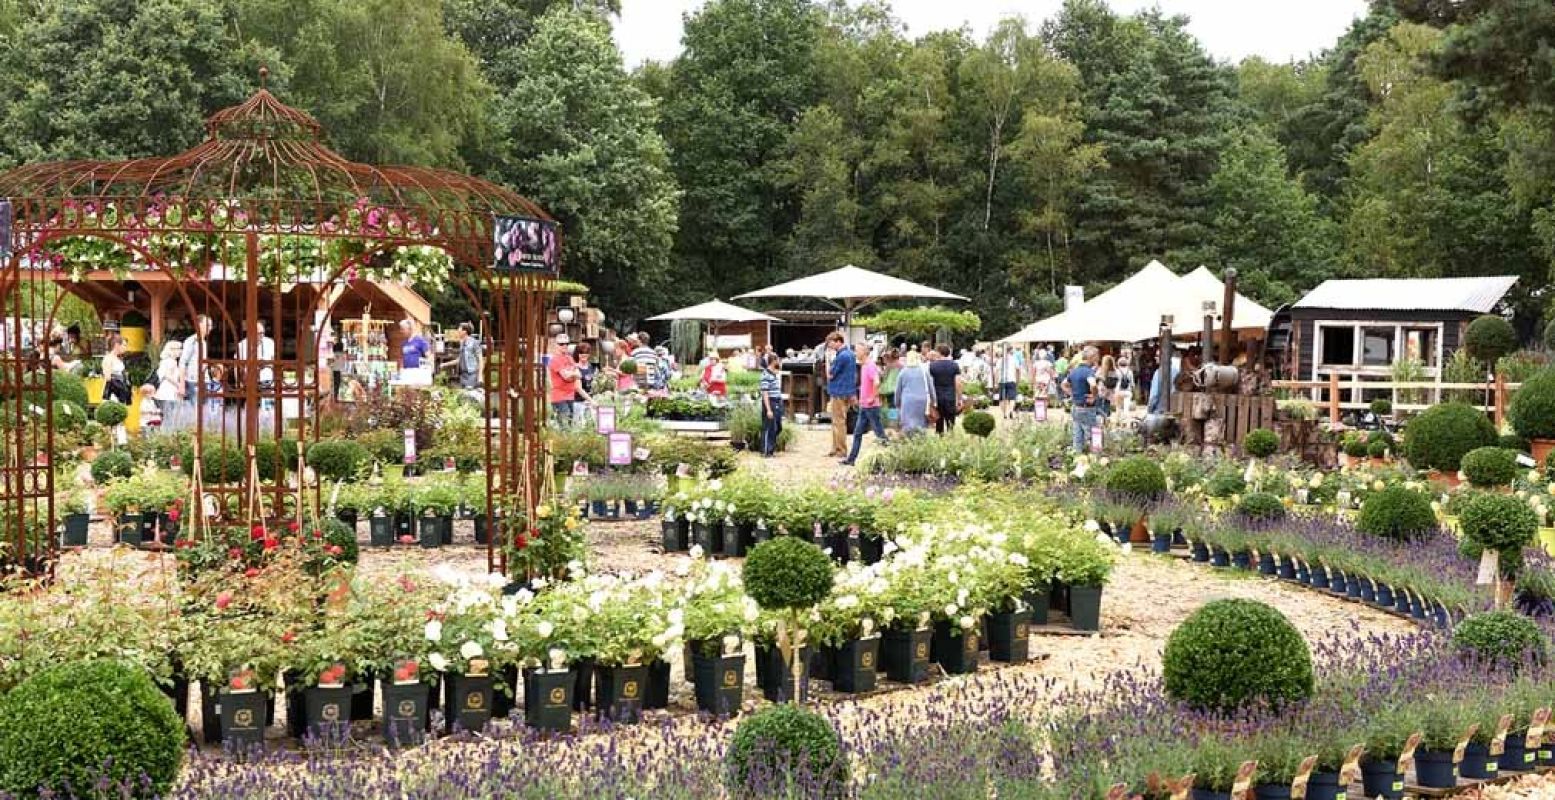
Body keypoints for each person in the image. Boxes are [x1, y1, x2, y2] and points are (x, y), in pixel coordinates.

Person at [842, 343, 888, 466]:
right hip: (865, 406)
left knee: (879, 433)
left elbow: (877, 382)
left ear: (864, 352)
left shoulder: (869, 366)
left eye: (857, 350)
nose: (855, 353)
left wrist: (872, 397)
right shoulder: (865, 366)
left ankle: (889, 455)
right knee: (858, 433)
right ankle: (851, 459)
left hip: (871, 406)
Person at [823, 332, 857, 458]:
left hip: (838, 391)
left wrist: (828, 360)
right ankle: (835, 447)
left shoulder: (841, 356)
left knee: (838, 422)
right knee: (839, 421)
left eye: (831, 343)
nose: (830, 346)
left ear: (838, 341)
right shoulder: (850, 355)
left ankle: (840, 449)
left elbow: (830, 374)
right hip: (846, 391)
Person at [1068, 345, 1100, 451]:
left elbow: (1064, 384)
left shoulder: (1074, 371)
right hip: (1087, 407)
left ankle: (1077, 458)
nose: (1098, 359)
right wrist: (1094, 395)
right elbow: (1093, 384)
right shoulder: (1089, 372)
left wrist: (1072, 394)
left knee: (1077, 435)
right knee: (1094, 435)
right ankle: (1096, 459)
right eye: (1097, 356)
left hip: (1076, 406)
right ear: (1092, 357)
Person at [548, 334, 584, 424]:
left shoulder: (569, 358)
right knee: (565, 427)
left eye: (566, 344)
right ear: (556, 345)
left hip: (570, 396)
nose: (564, 346)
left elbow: (579, 375)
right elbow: (566, 377)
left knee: (570, 424)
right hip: (559, 397)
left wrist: (571, 374)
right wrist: (573, 374)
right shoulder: (555, 359)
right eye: (561, 344)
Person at [895, 350, 932, 435]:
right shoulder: (924, 371)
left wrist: (897, 402)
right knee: (921, 422)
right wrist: (934, 400)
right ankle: (921, 440)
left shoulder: (903, 372)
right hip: (922, 400)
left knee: (908, 423)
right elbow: (930, 387)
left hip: (907, 400)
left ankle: (910, 441)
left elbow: (898, 390)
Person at [928, 344, 962, 435]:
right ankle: (950, 440)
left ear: (939, 353)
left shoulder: (932, 366)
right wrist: (960, 399)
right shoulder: (954, 365)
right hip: (950, 397)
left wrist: (930, 400)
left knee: (939, 422)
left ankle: (940, 440)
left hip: (937, 397)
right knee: (950, 423)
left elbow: (930, 384)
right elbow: (958, 383)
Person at [180, 315, 211, 408]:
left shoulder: (204, 342)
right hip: (193, 380)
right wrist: (182, 384)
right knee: (195, 411)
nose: (210, 327)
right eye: (208, 325)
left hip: (204, 380)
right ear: (199, 325)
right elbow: (182, 362)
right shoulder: (191, 341)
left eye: (210, 325)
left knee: (204, 410)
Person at [235, 319, 276, 391]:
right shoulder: (242, 345)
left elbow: (274, 361)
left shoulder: (270, 343)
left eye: (263, 333)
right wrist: (238, 382)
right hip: (249, 381)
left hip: (267, 380)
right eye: (259, 333)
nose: (262, 335)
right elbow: (237, 365)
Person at [758, 352, 784, 457]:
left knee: (778, 427)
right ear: (773, 361)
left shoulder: (775, 373)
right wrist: (768, 409)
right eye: (777, 360)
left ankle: (771, 448)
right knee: (769, 427)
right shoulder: (766, 375)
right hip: (770, 402)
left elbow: (781, 367)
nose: (779, 362)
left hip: (777, 401)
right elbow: (765, 393)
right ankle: (766, 450)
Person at [155, 340, 184, 419]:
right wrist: (178, 385)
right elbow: (168, 375)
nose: (180, 351)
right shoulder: (171, 362)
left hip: (167, 390)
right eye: (179, 349)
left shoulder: (167, 361)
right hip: (168, 391)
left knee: (166, 414)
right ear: (172, 350)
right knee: (169, 414)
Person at [102, 334, 131, 404]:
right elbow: (108, 377)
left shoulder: (118, 359)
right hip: (113, 393)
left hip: (121, 392)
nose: (125, 348)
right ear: (117, 345)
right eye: (123, 345)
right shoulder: (108, 358)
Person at [995, 344, 1021, 420]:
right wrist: (1018, 379)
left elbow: (996, 372)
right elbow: (1018, 370)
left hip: (1002, 381)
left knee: (1002, 399)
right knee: (1012, 398)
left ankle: (1004, 414)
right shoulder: (1014, 359)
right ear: (1010, 350)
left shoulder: (1000, 360)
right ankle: (1011, 411)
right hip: (1011, 380)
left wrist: (996, 382)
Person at [457, 322, 482, 389]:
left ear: (464, 331)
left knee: (469, 396)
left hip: (471, 375)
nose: (458, 331)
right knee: (463, 397)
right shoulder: (462, 343)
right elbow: (459, 359)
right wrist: (445, 364)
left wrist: (480, 376)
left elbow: (480, 360)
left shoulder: (474, 343)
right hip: (462, 375)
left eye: (459, 329)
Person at [879, 348, 901, 424]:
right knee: (898, 405)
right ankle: (898, 420)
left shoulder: (889, 365)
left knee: (891, 405)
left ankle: (893, 421)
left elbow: (884, 376)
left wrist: (880, 373)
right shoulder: (901, 365)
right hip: (899, 388)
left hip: (890, 389)